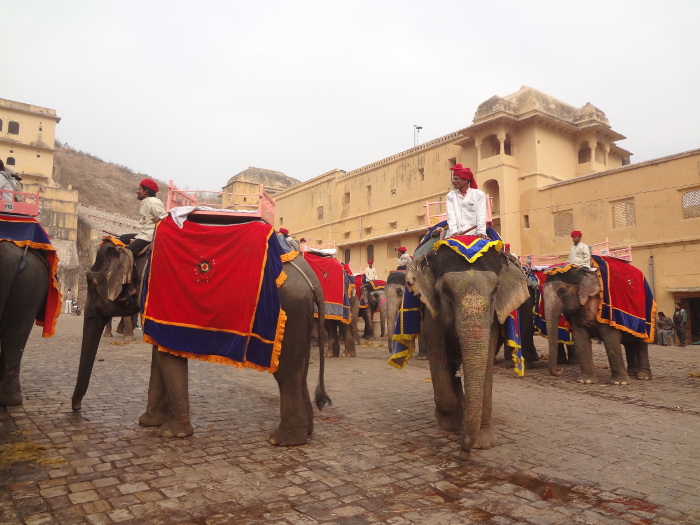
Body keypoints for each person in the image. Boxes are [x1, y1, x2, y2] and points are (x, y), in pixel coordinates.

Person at [120, 179, 167, 255]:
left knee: (126, 253)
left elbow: (165, 217)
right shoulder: (146, 202)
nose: (137, 191)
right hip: (143, 234)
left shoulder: (154, 202)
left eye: (140, 189)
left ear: (145, 192)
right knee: (123, 238)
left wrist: (160, 219)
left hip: (149, 236)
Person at [444, 164, 487, 238]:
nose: (453, 181)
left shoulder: (479, 195)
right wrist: (454, 232)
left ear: (465, 180)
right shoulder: (450, 196)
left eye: (456, 179)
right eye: (453, 179)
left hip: (475, 234)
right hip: (455, 234)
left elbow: (481, 215)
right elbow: (451, 217)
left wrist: (481, 232)